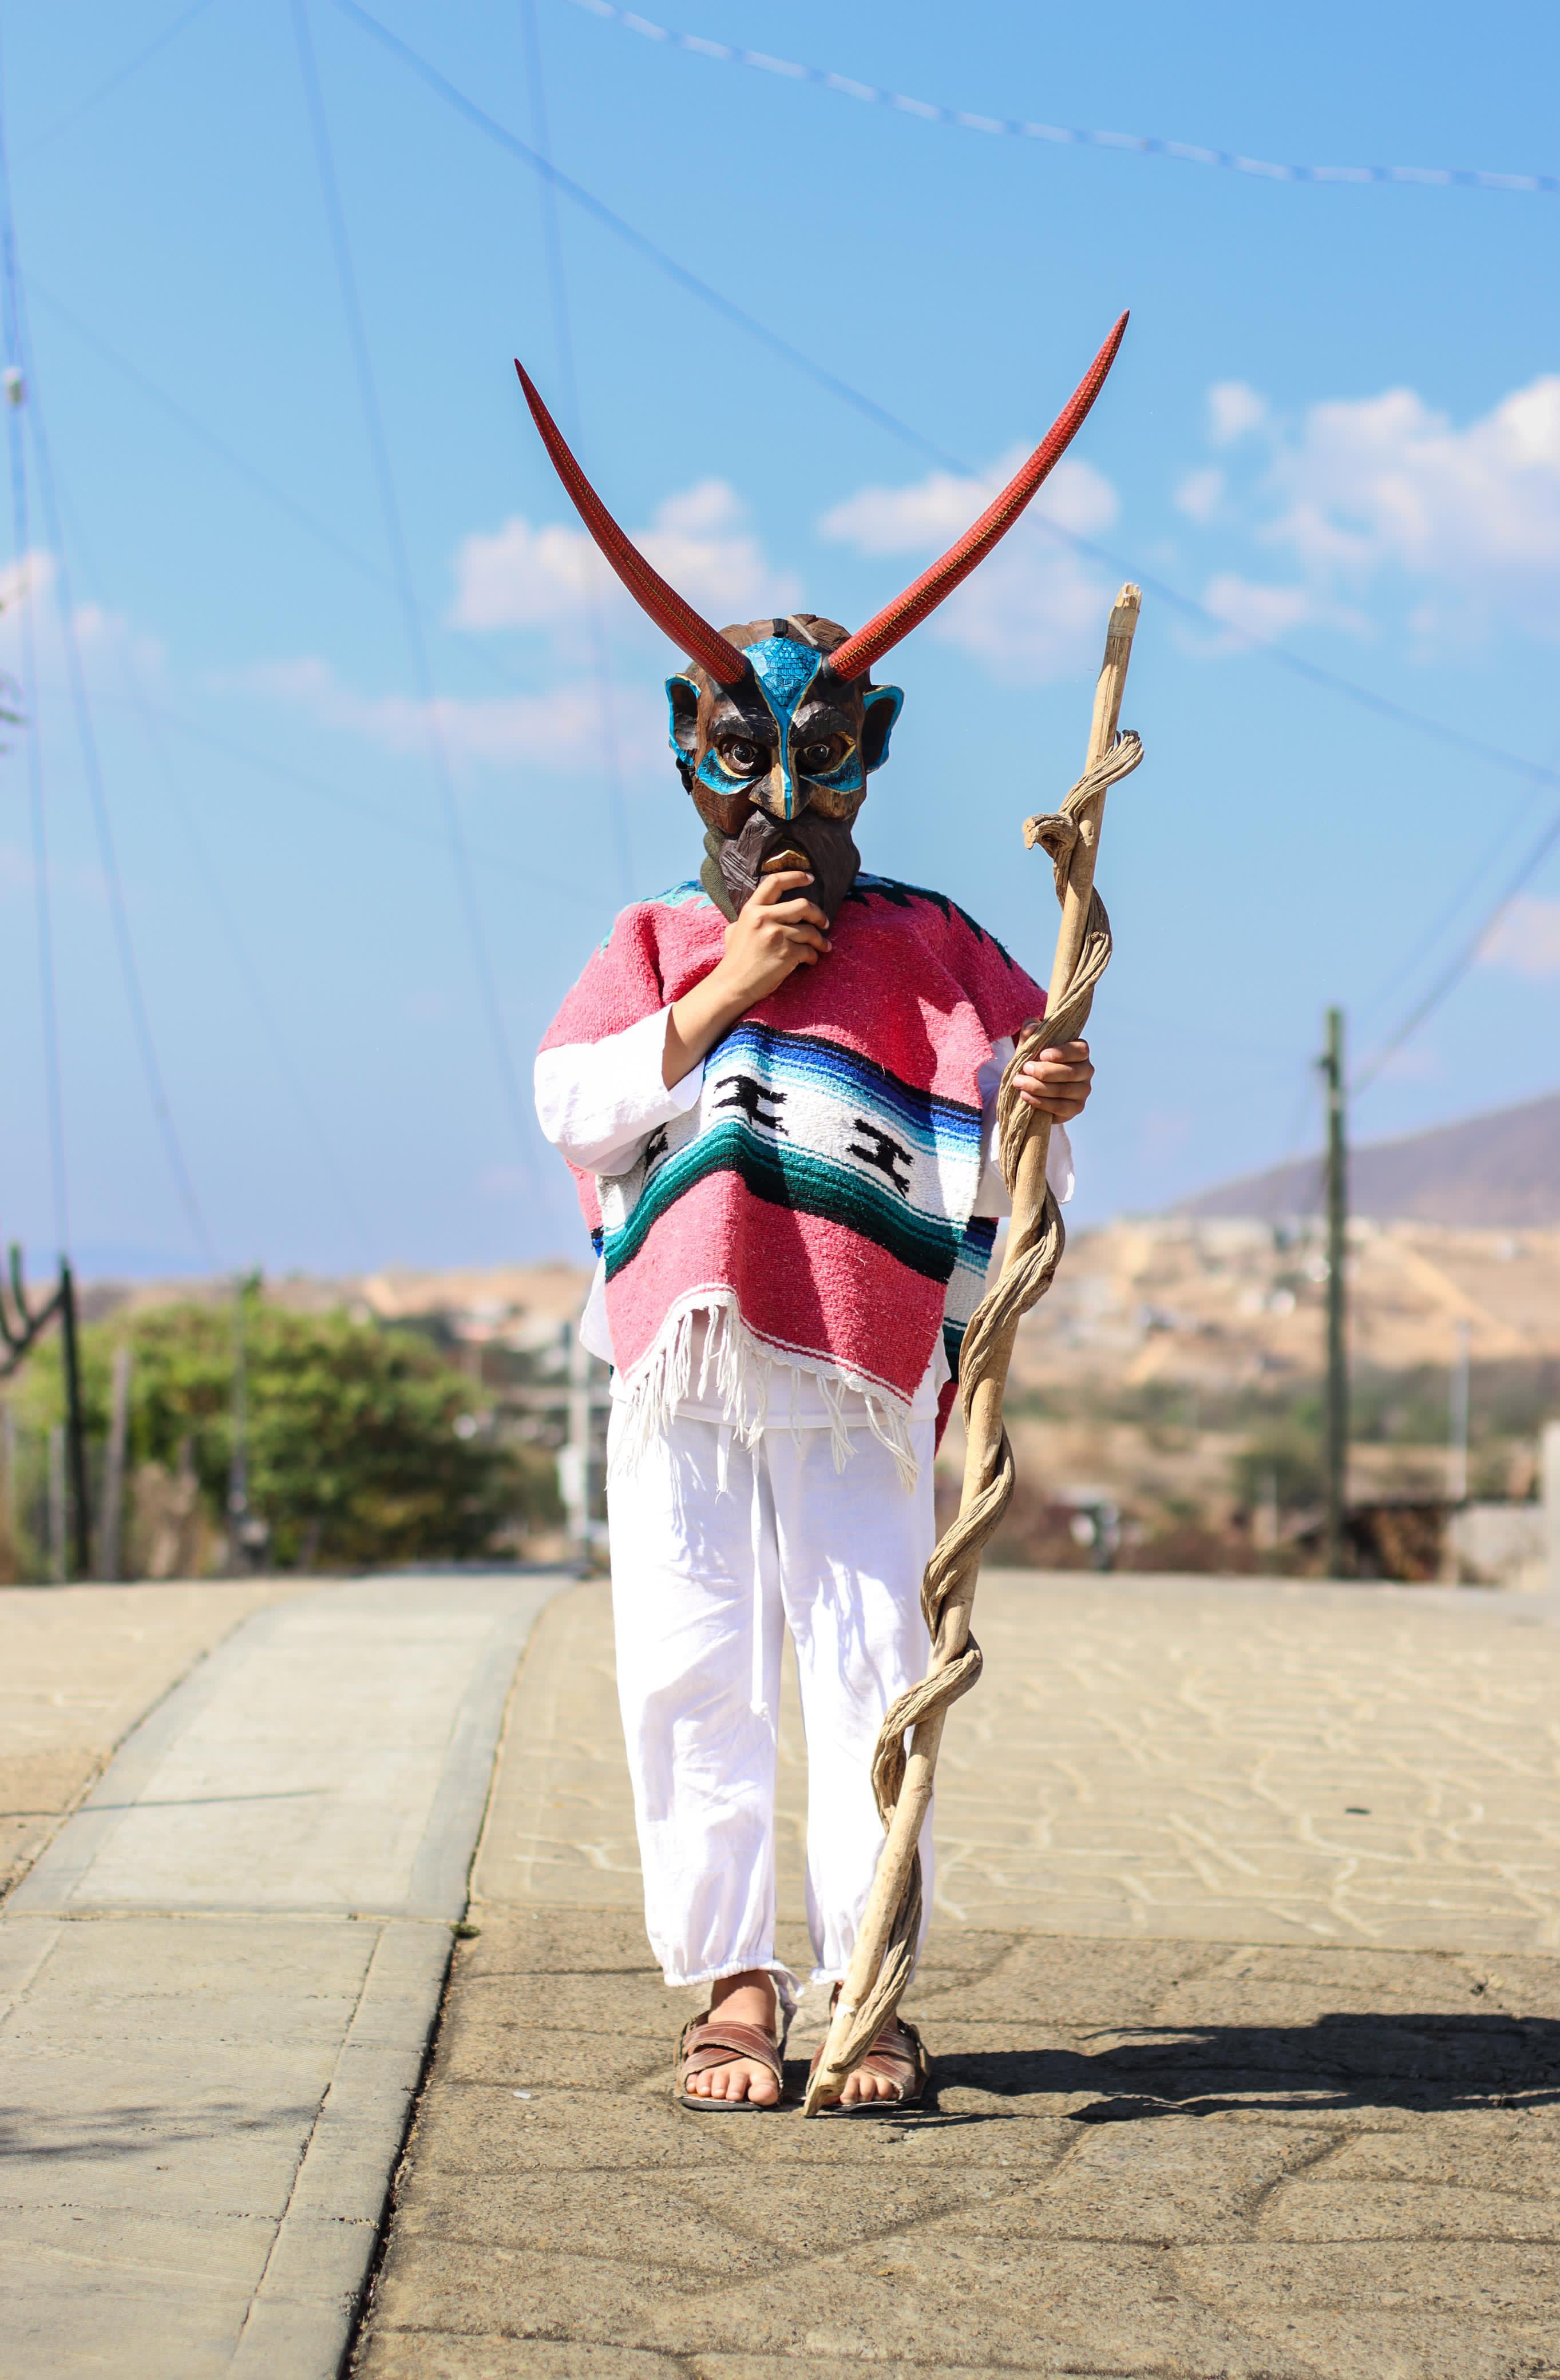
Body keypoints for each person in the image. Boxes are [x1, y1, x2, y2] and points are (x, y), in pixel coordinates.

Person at [521, 328, 1123, 2108]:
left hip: (862, 1363)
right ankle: (733, 1983)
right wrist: (723, 994)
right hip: (685, 1363)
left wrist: (1039, 1096)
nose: (783, 796)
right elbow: (573, 1104)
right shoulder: (652, 940)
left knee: (870, 1657)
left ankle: (865, 1984)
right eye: (743, 754)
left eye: (822, 754)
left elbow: (1021, 1125)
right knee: (691, 1659)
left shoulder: (934, 943)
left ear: (874, 753)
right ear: (687, 749)